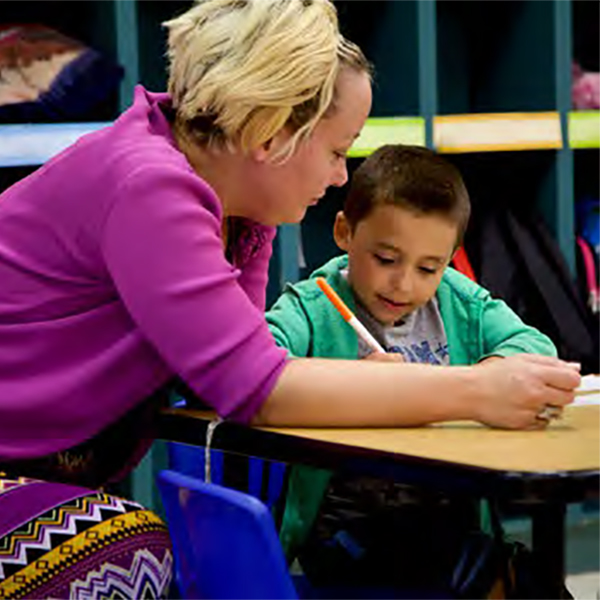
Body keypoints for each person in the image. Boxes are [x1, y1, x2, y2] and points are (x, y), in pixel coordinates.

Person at [0, 0, 579, 596]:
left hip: (37, 467)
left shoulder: (234, 208)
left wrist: (377, 386)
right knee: (122, 551)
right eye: (336, 150)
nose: (341, 177)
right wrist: (475, 391)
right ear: (271, 134)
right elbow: (258, 388)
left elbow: (220, 377)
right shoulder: (149, 185)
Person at [265, 143, 568, 593]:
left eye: (429, 267)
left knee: (539, 586)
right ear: (345, 232)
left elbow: (534, 345)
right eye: (385, 259)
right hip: (347, 537)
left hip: (452, 526)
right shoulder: (312, 307)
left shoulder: (456, 300)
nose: (404, 283)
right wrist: (350, 382)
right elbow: (256, 360)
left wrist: (485, 376)